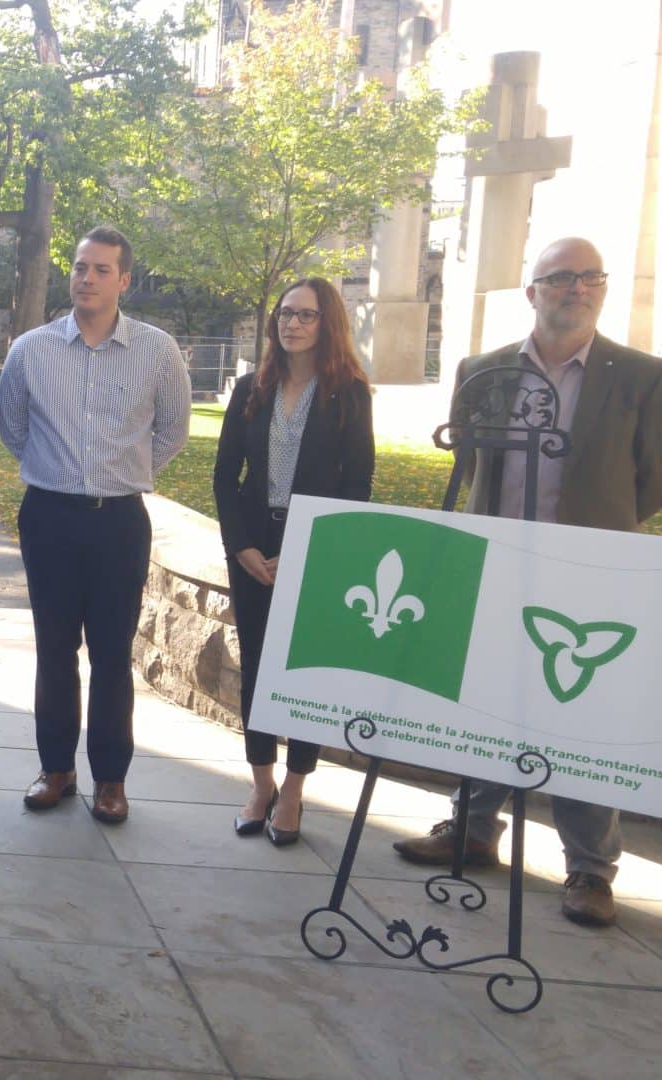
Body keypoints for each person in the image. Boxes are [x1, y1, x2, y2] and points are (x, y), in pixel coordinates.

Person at [392, 237, 662, 927]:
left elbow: (652, 478)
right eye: (562, 277)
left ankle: (591, 868)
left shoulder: (641, 376)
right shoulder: (483, 371)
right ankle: (473, 828)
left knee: (580, 715)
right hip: (495, 566)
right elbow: (470, 463)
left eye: (591, 277)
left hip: (589, 574)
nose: (578, 288)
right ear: (532, 291)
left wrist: (599, 524)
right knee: (484, 702)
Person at [0, 225, 191, 825]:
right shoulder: (31, 350)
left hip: (119, 523)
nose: (87, 278)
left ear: (123, 280)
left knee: (111, 654)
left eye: (101, 269)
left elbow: (173, 431)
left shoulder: (157, 351)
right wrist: (60, 472)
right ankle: (55, 769)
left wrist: (122, 472)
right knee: (54, 650)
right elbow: (13, 427)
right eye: (80, 267)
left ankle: (111, 779)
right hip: (50, 518)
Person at [212, 277, 373, 845]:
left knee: (306, 674)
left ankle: (296, 790)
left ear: (328, 324)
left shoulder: (349, 393)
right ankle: (261, 785)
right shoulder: (250, 389)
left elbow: (357, 486)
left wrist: (312, 550)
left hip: (316, 546)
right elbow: (225, 475)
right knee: (256, 667)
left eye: (305, 315)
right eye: (285, 313)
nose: (292, 324)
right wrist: (241, 545)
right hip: (253, 548)